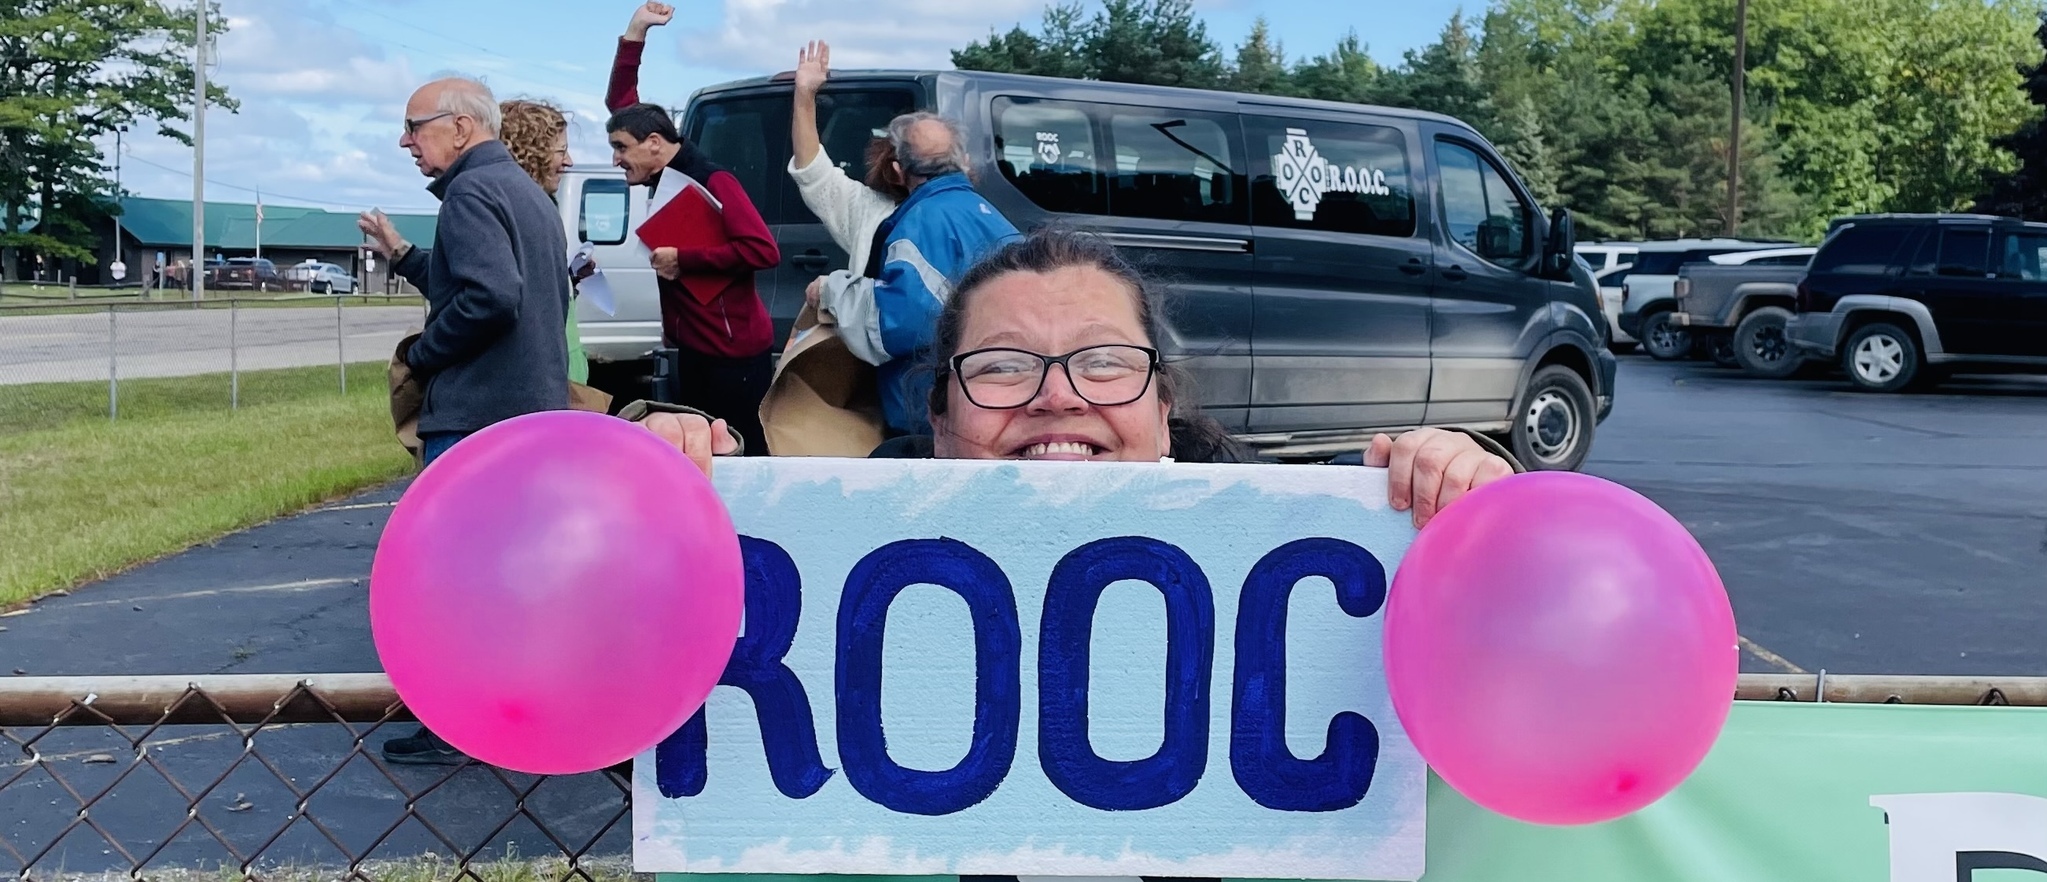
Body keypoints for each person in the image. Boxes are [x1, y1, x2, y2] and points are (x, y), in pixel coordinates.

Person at [644, 227, 1519, 528]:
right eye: (1000, 366)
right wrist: (652, 483)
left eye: (1103, 361)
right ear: (938, 416)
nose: (1057, 394)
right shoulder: (825, 534)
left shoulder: (1299, 534)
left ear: (1163, 403)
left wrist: (1460, 479)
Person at [357, 77, 572, 766]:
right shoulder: (528, 196)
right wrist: (403, 254)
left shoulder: (470, 194)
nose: (405, 141)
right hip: (531, 413)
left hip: (477, 418)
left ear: (458, 127)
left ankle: (459, 723)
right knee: (517, 580)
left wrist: (424, 352)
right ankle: (521, 711)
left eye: (414, 126)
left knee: (456, 580)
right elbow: (499, 288)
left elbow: (489, 298)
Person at [808, 111, 1020, 438]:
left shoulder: (919, 224)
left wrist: (832, 290)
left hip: (931, 417)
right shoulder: (992, 217)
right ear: (962, 161)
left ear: (897, 170)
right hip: (993, 403)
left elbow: (896, 322)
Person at [605, 101, 780, 455]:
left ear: (654, 142)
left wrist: (684, 259)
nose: (615, 160)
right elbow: (625, 103)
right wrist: (630, 46)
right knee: (701, 448)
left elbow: (763, 250)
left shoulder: (713, 180)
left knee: (739, 449)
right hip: (695, 350)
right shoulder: (666, 178)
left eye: (621, 147)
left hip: (734, 355)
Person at [788, 39, 907, 275]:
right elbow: (812, 170)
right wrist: (804, 94)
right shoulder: (871, 211)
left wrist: (805, 95)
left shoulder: (965, 216)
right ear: (897, 170)